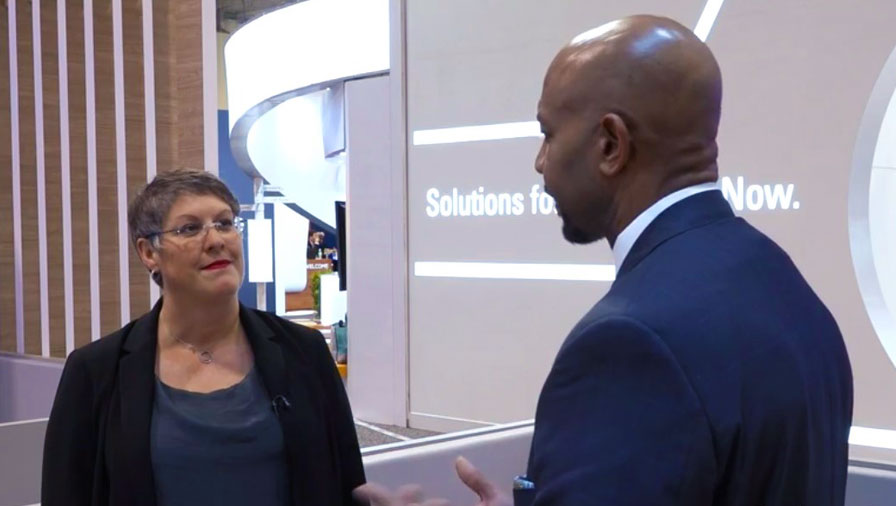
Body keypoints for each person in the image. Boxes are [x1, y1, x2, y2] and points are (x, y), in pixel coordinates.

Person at [356, 14, 853, 506]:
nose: (540, 162)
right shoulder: (790, 291)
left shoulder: (629, 347)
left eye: (548, 134)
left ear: (611, 145)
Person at [42, 169, 365, 506]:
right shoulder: (96, 372)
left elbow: (347, 485)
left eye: (225, 223)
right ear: (149, 253)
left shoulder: (304, 352)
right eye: (190, 228)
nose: (216, 241)